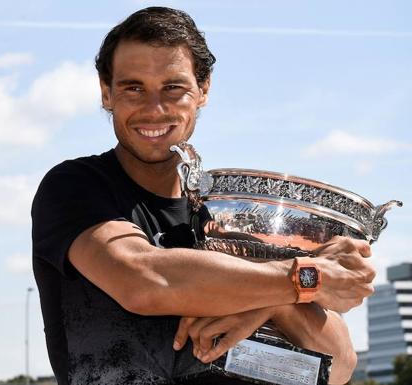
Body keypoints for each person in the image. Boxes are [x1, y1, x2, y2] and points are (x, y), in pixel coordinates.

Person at [32, 6, 375, 385]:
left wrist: (277, 298)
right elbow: (144, 281)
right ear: (105, 92)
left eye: (173, 88)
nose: (154, 109)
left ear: (203, 90)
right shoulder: (76, 186)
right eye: (133, 88)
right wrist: (299, 279)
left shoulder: (228, 218)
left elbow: (339, 365)